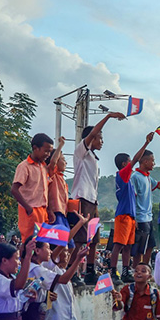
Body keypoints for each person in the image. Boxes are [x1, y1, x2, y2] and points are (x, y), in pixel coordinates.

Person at [69, 112, 124, 284]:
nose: (101, 141)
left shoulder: (93, 157)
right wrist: (108, 117)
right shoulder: (81, 152)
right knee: (80, 238)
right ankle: (73, 272)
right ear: (90, 139)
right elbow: (92, 133)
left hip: (93, 201)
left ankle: (90, 271)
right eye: (99, 137)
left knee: (94, 239)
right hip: (81, 199)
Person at [110, 133, 155, 284]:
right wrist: (146, 143)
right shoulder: (123, 175)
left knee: (128, 246)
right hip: (123, 215)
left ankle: (125, 272)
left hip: (131, 216)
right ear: (124, 164)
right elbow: (136, 159)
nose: (132, 164)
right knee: (118, 245)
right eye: (129, 162)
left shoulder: (128, 180)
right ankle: (113, 272)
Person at [11, 133, 54, 244]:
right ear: (35, 148)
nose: (48, 154)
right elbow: (14, 190)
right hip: (30, 210)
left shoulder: (43, 167)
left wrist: (49, 210)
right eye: (46, 151)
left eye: (50, 152)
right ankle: (25, 261)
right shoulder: (24, 166)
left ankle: (35, 262)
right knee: (30, 242)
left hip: (43, 210)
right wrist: (28, 209)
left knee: (42, 244)